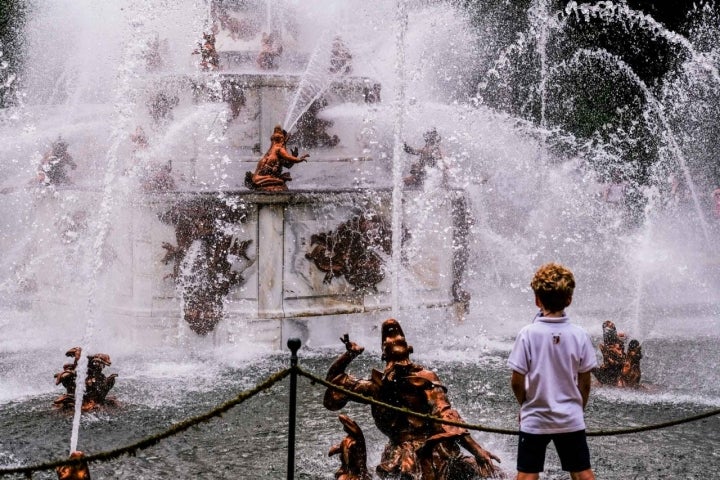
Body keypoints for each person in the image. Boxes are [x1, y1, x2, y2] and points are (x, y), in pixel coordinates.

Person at [323, 319, 503, 479]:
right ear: (384, 353)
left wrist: (476, 449)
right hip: (398, 455)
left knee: (491, 472)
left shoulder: (426, 378)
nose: (394, 338)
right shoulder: (376, 387)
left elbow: (446, 416)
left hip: (434, 450)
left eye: (399, 338)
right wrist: (349, 355)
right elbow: (334, 389)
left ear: (408, 349)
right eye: (388, 339)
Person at [507, 263, 597, 480]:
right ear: (569, 299)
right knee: (581, 471)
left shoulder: (527, 334)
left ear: (537, 300)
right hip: (570, 417)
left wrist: (526, 404)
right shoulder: (580, 335)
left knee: (527, 474)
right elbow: (585, 382)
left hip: (535, 418)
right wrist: (578, 407)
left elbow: (517, 382)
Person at [245, 125, 309, 191]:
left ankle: (270, 181)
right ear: (282, 139)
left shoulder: (272, 149)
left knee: (282, 178)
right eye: (285, 139)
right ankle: (274, 182)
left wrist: (294, 156)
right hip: (264, 176)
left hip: (259, 177)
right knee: (281, 181)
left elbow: (288, 165)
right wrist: (299, 159)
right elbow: (288, 160)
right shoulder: (279, 149)